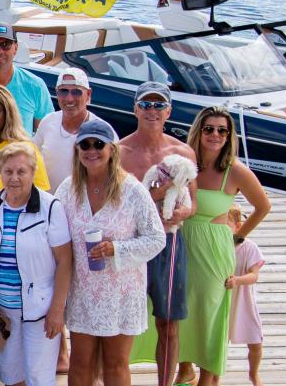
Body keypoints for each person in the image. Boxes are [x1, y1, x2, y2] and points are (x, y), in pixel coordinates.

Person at [56, 120, 165, 386]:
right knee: (81, 363)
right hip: (82, 289)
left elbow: (157, 238)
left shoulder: (133, 190)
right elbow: (53, 235)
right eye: (85, 144)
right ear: (77, 150)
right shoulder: (67, 190)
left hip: (122, 291)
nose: (91, 150)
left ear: (112, 150)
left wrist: (116, 248)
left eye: (98, 144)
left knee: (115, 364)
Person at [171, 107, 271, 386]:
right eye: (209, 129)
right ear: (199, 131)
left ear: (229, 136)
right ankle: (185, 368)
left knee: (209, 310)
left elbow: (263, 206)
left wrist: (236, 238)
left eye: (222, 130)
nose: (215, 134)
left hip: (214, 248)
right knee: (181, 307)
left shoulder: (235, 171)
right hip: (182, 240)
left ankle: (208, 375)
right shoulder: (185, 162)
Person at [118, 82, 196, 386]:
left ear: (169, 111)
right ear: (136, 108)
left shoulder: (182, 151)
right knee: (120, 322)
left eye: (158, 105)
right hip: (132, 242)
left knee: (168, 322)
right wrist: (157, 194)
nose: (152, 111)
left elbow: (193, 202)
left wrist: (183, 212)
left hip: (170, 242)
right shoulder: (120, 152)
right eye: (146, 105)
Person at [0, 142, 73, 386]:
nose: (14, 178)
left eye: (21, 171)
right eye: (8, 171)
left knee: (39, 377)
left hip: (39, 310)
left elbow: (64, 261)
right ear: (0, 172)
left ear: (33, 172)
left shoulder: (50, 207)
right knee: (11, 375)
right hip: (2, 309)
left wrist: (57, 310)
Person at [32, 67, 112, 190]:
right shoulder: (48, 122)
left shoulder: (104, 131)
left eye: (76, 92)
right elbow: (31, 156)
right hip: (47, 205)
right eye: (63, 91)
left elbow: (114, 174)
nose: (69, 98)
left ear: (88, 94)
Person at [226, 205, 266, 386]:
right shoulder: (218, 245)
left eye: (226, 224)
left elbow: (254, 275)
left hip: (243, 299)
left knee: (255, 340)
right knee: (219, 341)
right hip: (223, 299)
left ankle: (254, 374)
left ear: (238, 226)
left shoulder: (249, 248)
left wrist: (239, 280)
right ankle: (214, 376)